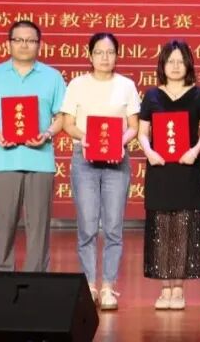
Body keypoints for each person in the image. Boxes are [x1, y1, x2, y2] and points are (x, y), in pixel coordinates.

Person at [0, 19, 66, 272]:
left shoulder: (53, 77)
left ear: (39, 45)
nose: (25, 45)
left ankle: (37, 281)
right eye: (19, 40)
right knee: (3, 226)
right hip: (3, 161)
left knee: (39, 229)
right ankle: (3, 279)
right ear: (8, 44)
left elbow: (62, 116)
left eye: (31, 40)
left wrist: (47, 133)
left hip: (40, 161)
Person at [60, 32, 140, 309]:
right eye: (99, 52)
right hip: (85, 160)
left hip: (117, 161)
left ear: (117, 55)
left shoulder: (126, 85)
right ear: (90, 55)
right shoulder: (77, 84)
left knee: (114, 226)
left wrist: (118, 141)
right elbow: (68, 124)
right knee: (87, 225)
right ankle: (89, 285)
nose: (105, 58)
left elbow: (133, 125)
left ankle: (108, 286)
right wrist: (88, 139)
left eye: (110, 52)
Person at [138, 39, 200, 310]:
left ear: (188, 65)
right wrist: (149, 153)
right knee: (161, 227)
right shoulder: (151, 96)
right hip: (159, 168)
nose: (176, 66)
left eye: (181, 61)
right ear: (163, 65)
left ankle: (178, 289)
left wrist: (194, 150)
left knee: (183, 226)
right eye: (171, 61)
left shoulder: (199, 95)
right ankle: (164, 289)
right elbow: (142, 133)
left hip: (187, 167)